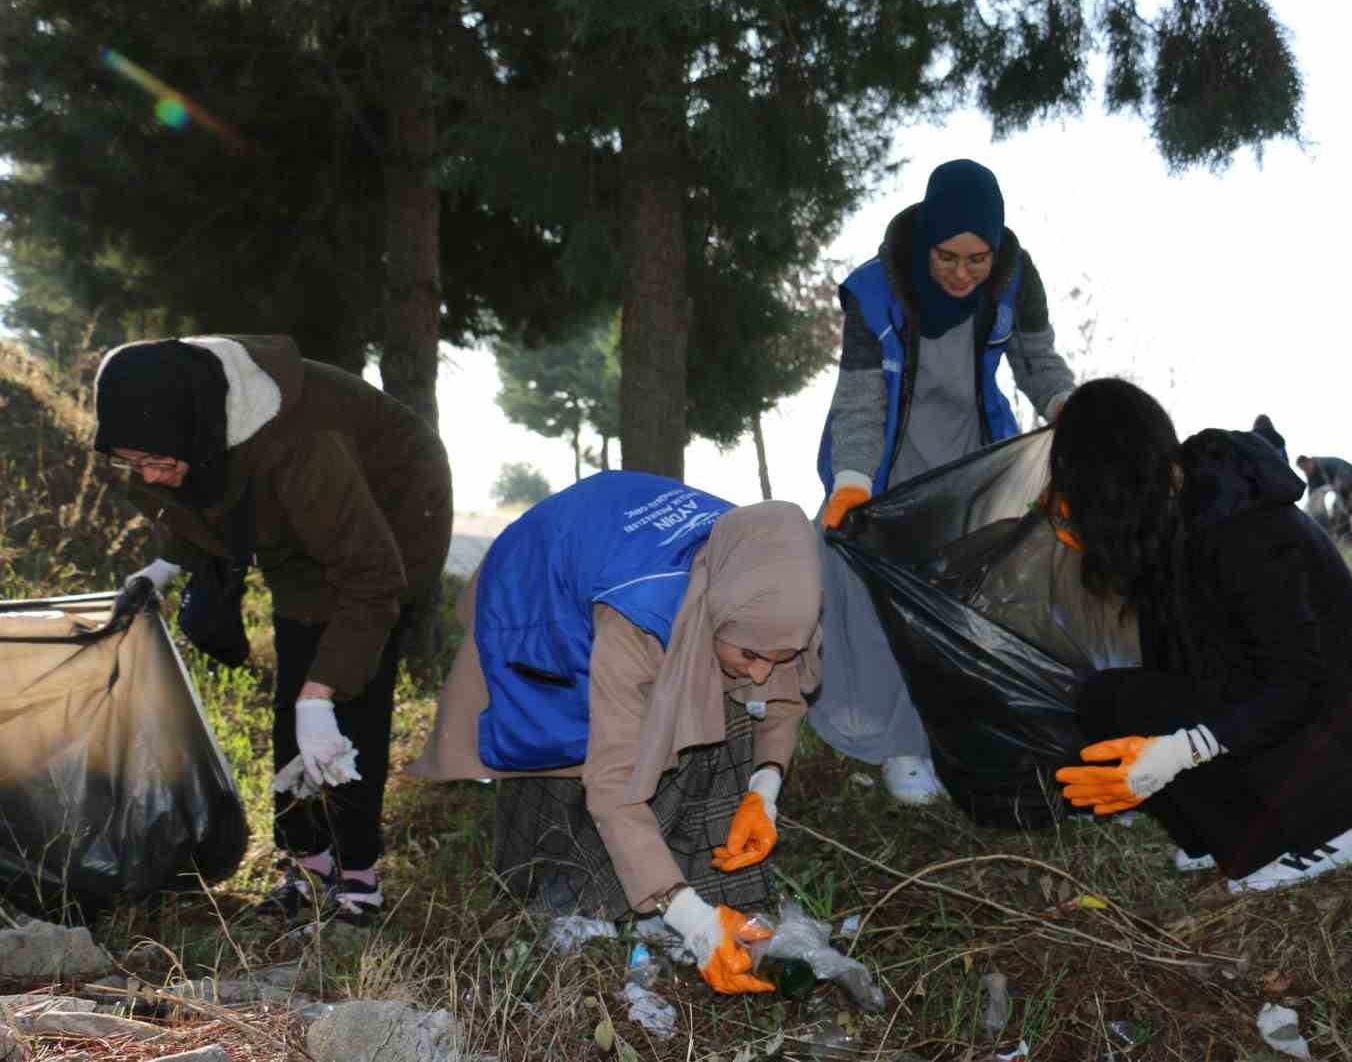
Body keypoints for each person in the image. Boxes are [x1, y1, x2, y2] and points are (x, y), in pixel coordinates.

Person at [408, 471, 822, 996]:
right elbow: (613, 786)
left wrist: (764, 792)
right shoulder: (638, 620)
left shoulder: (765, 573)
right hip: (541, 594)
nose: (763, 672)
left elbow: (779, 698)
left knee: (730, 711)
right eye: (751, 655)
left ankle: (683, 889)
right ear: (711, 617)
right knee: (571, 750)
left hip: (624, 557)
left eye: (778, 657)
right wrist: (692, 921)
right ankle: (583, 899)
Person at [94, 335, 452, 926]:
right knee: (295, 683)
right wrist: (165, 565)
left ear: (197, 433)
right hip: (299, 519)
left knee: (346, 705)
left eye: (158, 461)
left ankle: (358, 880)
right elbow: (212, 496)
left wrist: (323, 692)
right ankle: (307, 866)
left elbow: (372, 577)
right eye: (135, 463)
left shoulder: (302, 444)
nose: (149, 477)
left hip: (392, 514)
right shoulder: (193, 425)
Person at [1048, 379, 1352, 892]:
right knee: (1110, 700)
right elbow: (1177, 667)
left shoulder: (1246, 526)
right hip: (1286, 708)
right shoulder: (1176, 519)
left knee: (1169, 717)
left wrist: (1181, 751)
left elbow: (1297, 682)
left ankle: (1331, 831)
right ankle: (1240, 839)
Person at [810, 158, 1075, 804]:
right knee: (879, 599)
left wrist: (1075, 413)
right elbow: (861, 404)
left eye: (977, 258)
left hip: (971, 462)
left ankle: (955, 740)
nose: (963, 274)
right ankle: (895, 746)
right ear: (926, 241)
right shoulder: (876, 290)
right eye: (948, 257)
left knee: (965, 604)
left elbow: (1038, 365)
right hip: (886, 467)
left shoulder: (1014, 278)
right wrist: (851, 482)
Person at [1295, 454, 1352, 546]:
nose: (1305, 472)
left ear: (1309, 461)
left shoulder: (1326, 464)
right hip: (1343, 492)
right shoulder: (1313, 474)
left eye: (1305, 468)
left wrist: (1337, 490)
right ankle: (1345, 542)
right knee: (1337, 513)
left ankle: (1348, 543)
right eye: (1303, 470)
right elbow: (1312, 496)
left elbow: (1347, 476)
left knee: (1341, 513)